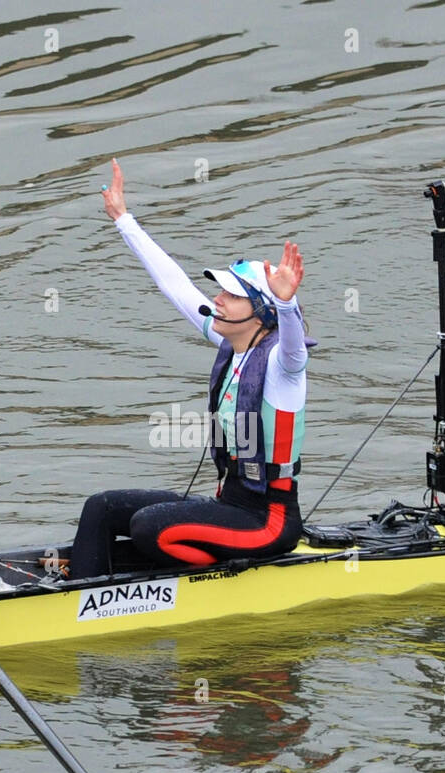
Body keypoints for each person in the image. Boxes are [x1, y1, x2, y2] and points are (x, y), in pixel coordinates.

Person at [68, 159, 309, 579]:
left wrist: (286, 303)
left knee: (149, 529)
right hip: (226, 504)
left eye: (231, 296)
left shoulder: (283, 365)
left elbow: (293, 344)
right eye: (220, 291)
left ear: (262, 312)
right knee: (101, 507)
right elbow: (175, 285)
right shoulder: (231, 343)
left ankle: (225, 579)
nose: (218, 299)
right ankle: (80, 592)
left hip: (268, 520)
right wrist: (124, 221)